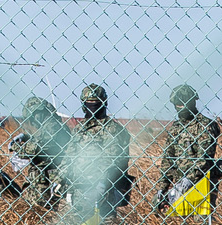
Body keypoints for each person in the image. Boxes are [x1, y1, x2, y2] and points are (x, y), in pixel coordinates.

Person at [153, 84, 222, 213]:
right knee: (173, 221)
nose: (180, 106)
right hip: (179, 185)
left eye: (184, 102)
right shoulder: (176, 128)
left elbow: (204, 160)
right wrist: (162, 188)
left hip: (201, 184)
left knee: (201, 223)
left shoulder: (205, 125)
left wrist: (188, 180)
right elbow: (167, 160)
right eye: (177, 103)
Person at [68, 82, 133, 216]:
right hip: (79, 189)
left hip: (105, 190)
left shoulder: (114, 130)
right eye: (89, 104)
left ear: (103, 103)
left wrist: (102, 184)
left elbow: (114, 160)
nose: (93, 108)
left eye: (96, 104)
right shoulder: (79, 129)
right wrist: (65, 184)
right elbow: (69, 157)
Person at [9, 97, 70, 208]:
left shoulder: (52, 127)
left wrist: (15, 146)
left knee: (44, 210)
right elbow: (39, 139)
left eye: (33, 117)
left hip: (49, 179)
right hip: (45, 177)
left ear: (40, 112)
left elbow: (35, 148)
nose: (32, 122)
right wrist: (25, 137)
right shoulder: (51, 124)